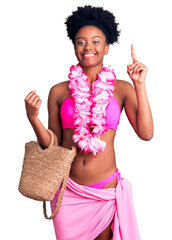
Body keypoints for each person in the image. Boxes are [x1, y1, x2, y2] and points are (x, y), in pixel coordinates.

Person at [25, 5, 153, 240]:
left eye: (96, 41)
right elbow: (51, 146)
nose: (88, 47)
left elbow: (146, 133)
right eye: (81, 42)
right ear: (74, 47)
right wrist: (34, 119)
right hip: (67, 193)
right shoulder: (59, 91)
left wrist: (140, 85)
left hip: (104, 192)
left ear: (106, 47)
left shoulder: (122, 89)